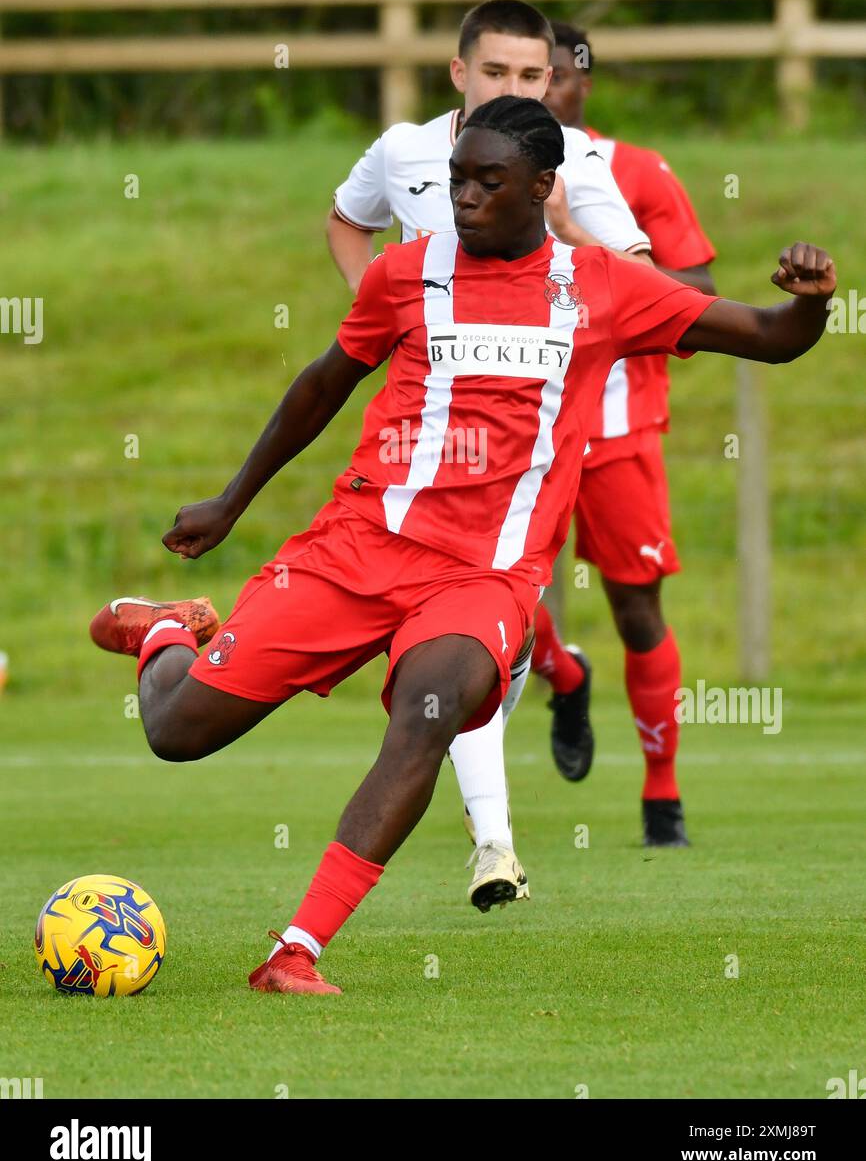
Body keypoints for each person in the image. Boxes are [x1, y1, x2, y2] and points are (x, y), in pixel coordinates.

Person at [91, 96, 835, 996]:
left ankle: (295, 953)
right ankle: (169, 631)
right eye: (457, 180)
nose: (467, 197)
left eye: (490, 181)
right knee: (174, 734)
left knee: (431, 709)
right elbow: (322, 385)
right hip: (357, 546)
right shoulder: (403, 275)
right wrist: (231, 500)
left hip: (484, 576)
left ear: (543, 187)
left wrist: (812, 302)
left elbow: (766, 336)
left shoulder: (603, 287)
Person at [328, 0, 652, 904]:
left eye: (533, 76)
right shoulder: (402, 150)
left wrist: (559, 233)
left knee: (464, 633)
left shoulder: (569, 160)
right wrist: (383, 317)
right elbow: (347, 218)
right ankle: (500, 837)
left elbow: (637, 274)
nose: (516, 88)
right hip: (420, 427)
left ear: (554, 82)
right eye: (498, 73)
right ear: (458, 75)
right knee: (456, 636)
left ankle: (508, 798)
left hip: (528, 430)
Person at [529, 22, 717, 845]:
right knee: (498, 596)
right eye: (527, 76)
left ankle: (661, 796)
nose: (543, 91)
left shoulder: (631, 170)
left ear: (581, 86)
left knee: (636, 607)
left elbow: (697, 288)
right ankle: (565, 675)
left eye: (557, 77)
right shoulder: (478, 167)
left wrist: (582, 238)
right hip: (517, 427)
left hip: (617, 425)